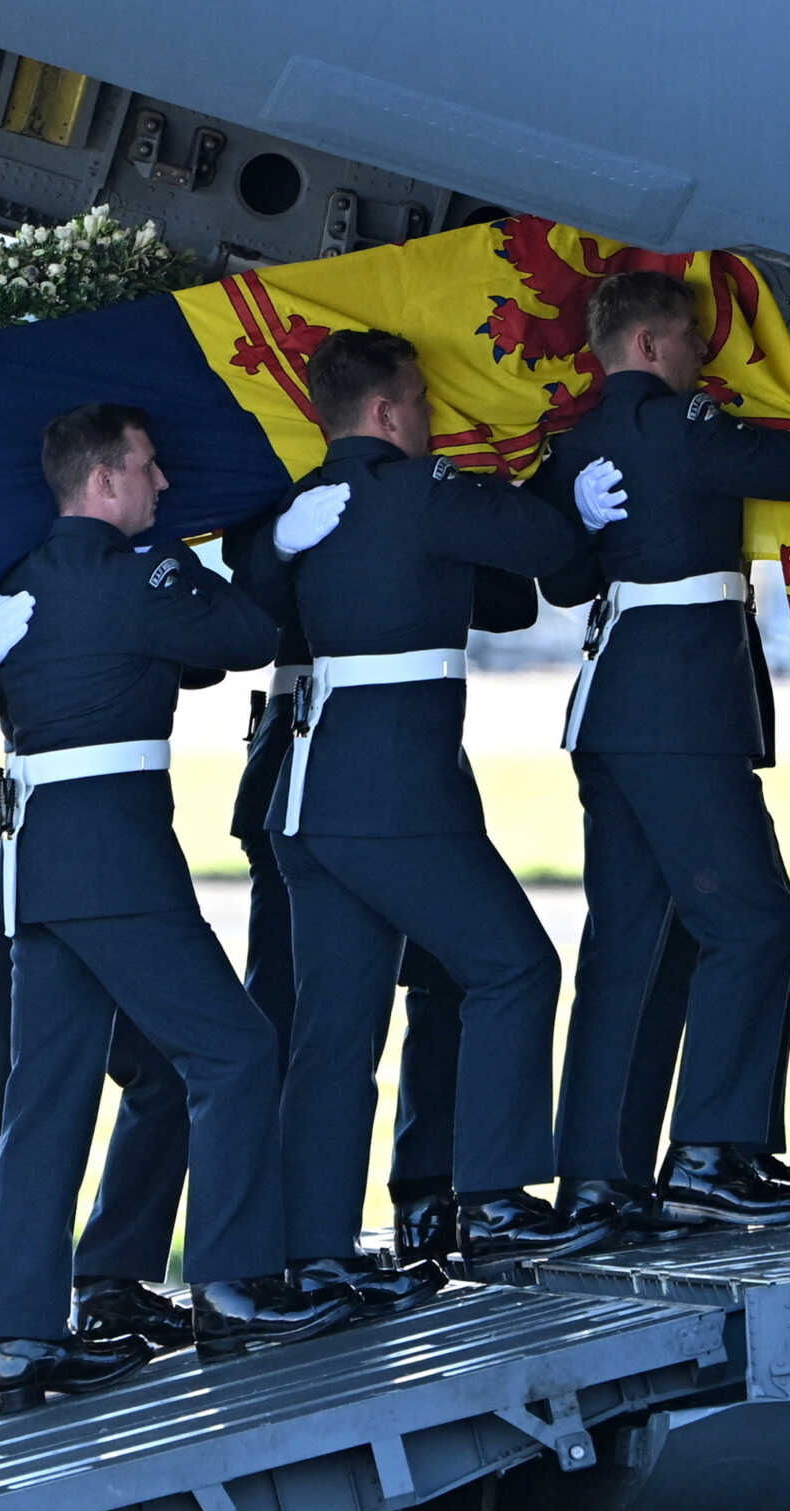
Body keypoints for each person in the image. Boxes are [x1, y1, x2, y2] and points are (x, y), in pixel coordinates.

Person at [0, 402, 355, 1415]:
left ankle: (19, 1339)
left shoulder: (19, 580)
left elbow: (63, 663)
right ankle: (230, 1286)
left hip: (33, 859)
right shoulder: (138, 571)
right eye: (146, 468)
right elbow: (242, 633)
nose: (163, 486)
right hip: (114, 863)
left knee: (44, 1097)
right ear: (104, 483)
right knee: (232, 1049)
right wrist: (258, 553)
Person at [241, 329, 628, 1276]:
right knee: (515, 967)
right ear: (385, 412)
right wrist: (562, 492)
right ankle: (492, 1200)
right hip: (399, 795)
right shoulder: (427, 492)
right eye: (420, 401)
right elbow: (544, 547)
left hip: (310, 797)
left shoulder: (302, 511)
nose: (433, 418)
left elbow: (498, 603)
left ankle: (314, 1251)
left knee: (338, 1031)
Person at [541, 269, 790, 1229]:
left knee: (630, 941)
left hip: (614, 706)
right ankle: (714, 1155)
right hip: (678, 713)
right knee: (754, 924)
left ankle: (600, 1176)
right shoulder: (686, 426)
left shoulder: (574, 445)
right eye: (688, 343)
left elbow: (557, 582)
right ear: (647, 346)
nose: (700, 359)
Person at [224, 521, 545, 1266]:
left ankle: (427, 1190)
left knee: (445, 979)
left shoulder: (415, 494)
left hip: (410, 743)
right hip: (306, 737)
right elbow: (255, 605)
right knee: (301, 1010)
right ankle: (275, 1237)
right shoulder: (288, 482)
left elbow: (511, 602)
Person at [0, 598, 194, 1408]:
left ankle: (110, 1276)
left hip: (95, 871)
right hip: (26, 866)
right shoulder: (27, 560)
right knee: (12, 1104)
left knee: (168, 1071)